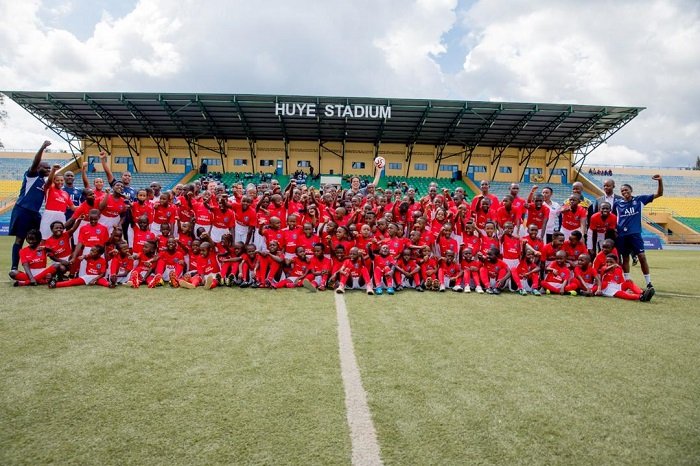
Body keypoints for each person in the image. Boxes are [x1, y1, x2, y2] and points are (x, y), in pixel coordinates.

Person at [612, 175, 663, 289]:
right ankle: (627, 281)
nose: (624, 192)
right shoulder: (617, 203)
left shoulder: (640, 200)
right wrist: (615, 230)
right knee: (625, 258)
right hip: (622, 235)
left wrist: (660, 181)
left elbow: (659, 194)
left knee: (642, 257)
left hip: (635, 235)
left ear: (631, 190)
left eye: (626, 190)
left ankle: (649, 282)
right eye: (622, 191)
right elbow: (613, 217)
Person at [9, 140, 52, 272]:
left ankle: (35, 266)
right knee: (20, 239)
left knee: (38, 239)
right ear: (38, 168)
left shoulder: (42, 181)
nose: (48, 170)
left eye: (49, 169)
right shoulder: (31, 176)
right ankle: (14, 267)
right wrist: (42, 147)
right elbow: (35, 162)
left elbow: (50, 180)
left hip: (34, 213)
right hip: (23, 210)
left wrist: (54, 172)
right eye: (46, 168)